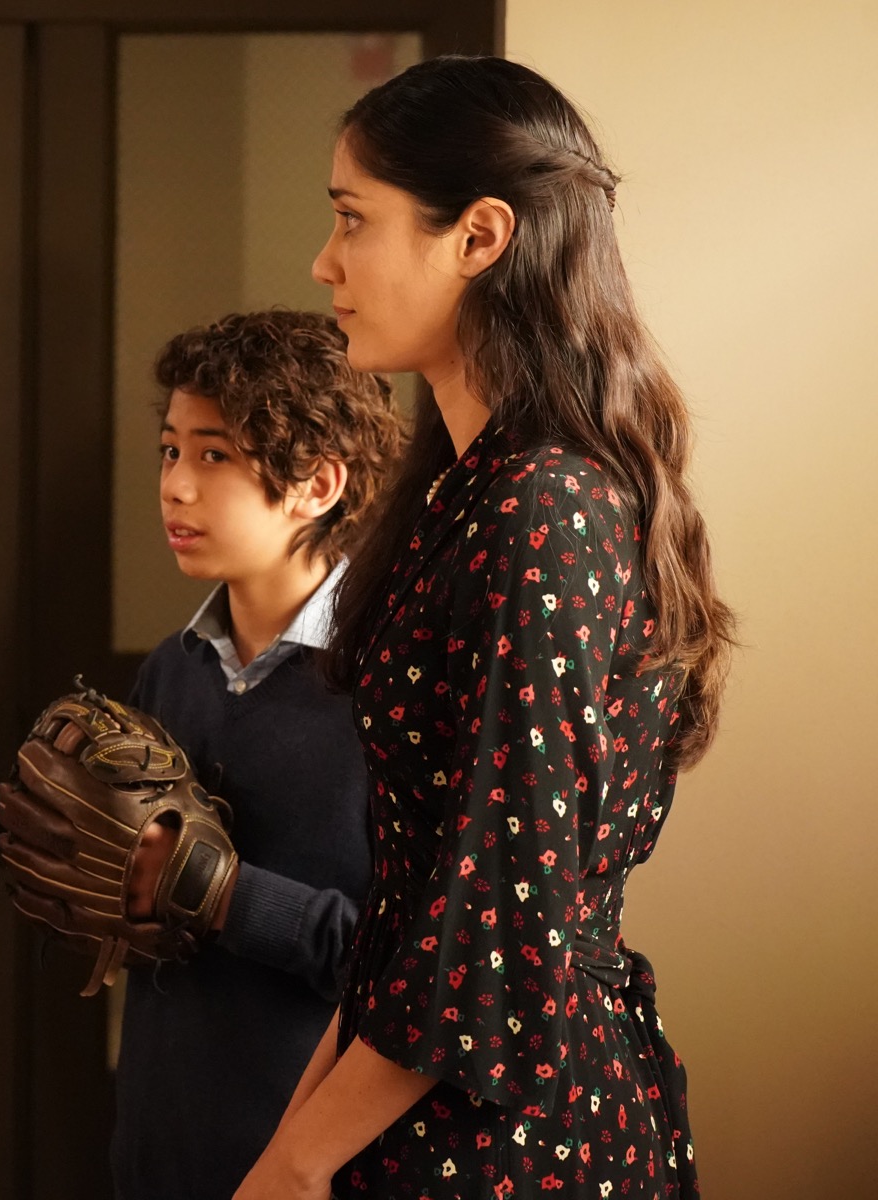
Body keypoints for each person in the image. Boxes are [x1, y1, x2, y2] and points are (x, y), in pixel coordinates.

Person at [232, 56, 734, 1200]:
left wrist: (299, 1161)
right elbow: (420, 910)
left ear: (480, 236)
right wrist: (297, 1135)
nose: (324, 263)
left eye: (352, 219)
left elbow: (505, 918)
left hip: (508, 1133)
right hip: (430, 1093)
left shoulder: (540, 507)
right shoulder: (472, 488)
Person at [111, 308, 400, 1200]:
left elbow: (415, 969)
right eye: (170, 450)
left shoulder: (388, 686)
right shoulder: (171, 671)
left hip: (307, 1159)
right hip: (160, 1138)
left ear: (318, 483)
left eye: (214, 456)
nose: (175, 486)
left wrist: (224, 893)